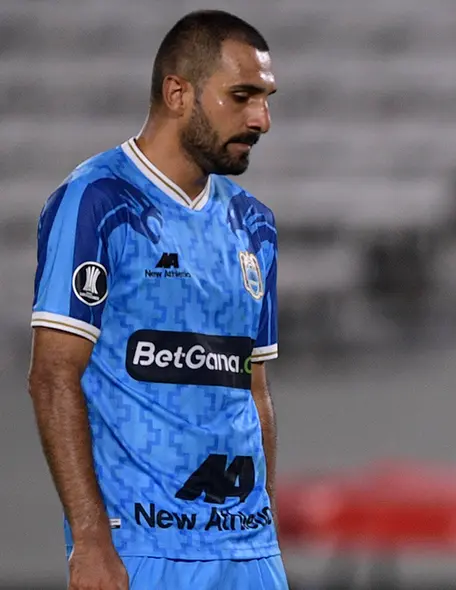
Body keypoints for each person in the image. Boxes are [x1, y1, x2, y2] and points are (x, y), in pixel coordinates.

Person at [28, 10, 286, 590]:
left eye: (266, 99)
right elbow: (52, 376)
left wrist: (264, 528)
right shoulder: (98, 201)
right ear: (177, 93)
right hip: (142, 547)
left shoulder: (255, 226)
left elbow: (255, 391)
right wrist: (91, 541)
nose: (261, 119)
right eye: (242, 96)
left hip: (248, 550)